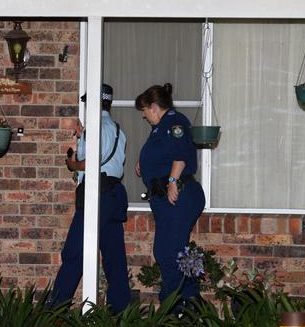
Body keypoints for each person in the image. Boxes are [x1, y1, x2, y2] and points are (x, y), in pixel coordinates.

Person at [50, 83, 131, 314]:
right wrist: (81, 135)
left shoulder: (96, 128)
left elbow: (90, 163)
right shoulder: (116, 128)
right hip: (113, 194)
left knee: (74, 251)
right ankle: (121, 310)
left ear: (93, 103)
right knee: (114, 255)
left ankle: (55, 309)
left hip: (99, 194)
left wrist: (72, 163)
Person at [135, 83, 205, 308]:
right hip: (167, 198)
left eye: (144, 112)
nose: (144, 117)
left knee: (167, 252)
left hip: (180, 194)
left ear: (154, 107)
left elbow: (181, 154)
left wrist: (173, 181)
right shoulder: (161, 126)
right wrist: (143, 165)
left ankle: (176, 304)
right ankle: (191, 300)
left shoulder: (174, 122)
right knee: (176, 251)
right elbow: (163, 153)